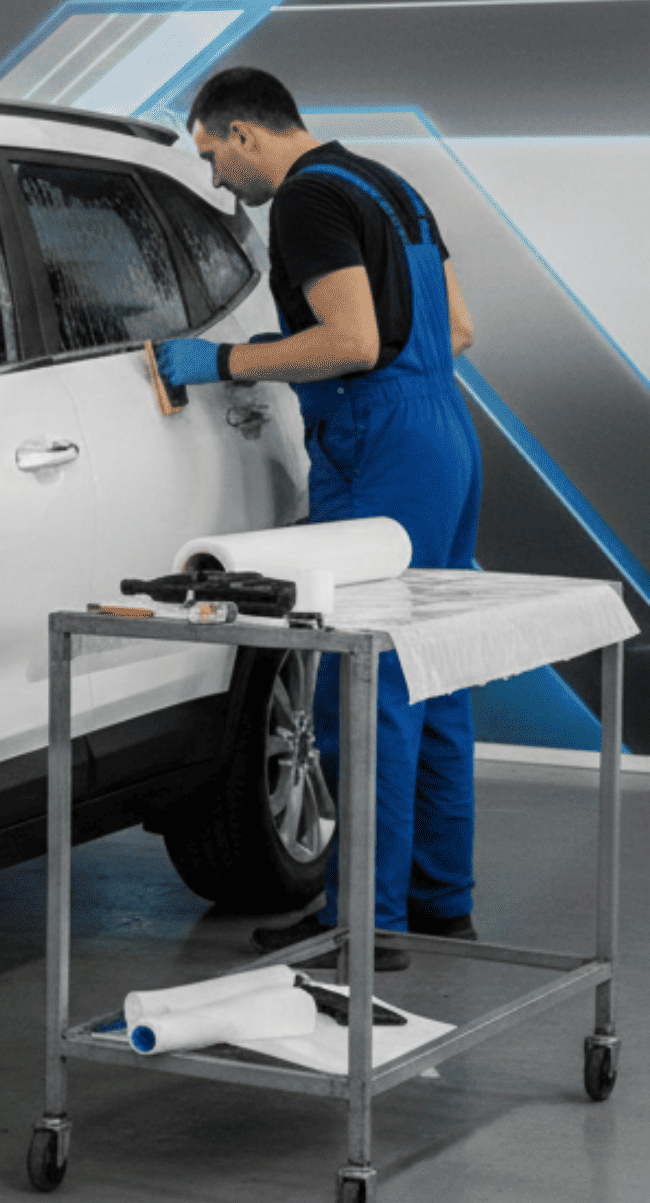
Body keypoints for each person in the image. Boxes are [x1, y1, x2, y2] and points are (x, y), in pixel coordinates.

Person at [153, 67, 483, 971]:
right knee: (436, 670)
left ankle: (363, 925)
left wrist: (225, 360)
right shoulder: (389, 184)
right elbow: (454, 330)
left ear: (245, 132)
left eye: (213, 156)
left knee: (364, 686)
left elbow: (353, 342)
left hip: (379, 443)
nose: (217, 178)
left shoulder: (303, 202)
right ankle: (438, 903)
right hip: (445, 433)